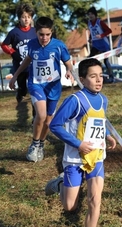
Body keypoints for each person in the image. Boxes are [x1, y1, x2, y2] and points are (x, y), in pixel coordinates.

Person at [45, 58, 117, 227]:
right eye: (93, 76)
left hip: (96, 157)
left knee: (95, 199)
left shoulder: (103, 100)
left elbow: (98, 122)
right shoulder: (75, 100)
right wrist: (78, 144)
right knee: (70, 206)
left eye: (100, 76)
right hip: (75, 159)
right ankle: (60, 183)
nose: (98, 80)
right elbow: (55, 126)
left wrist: (106, 135)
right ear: (83, 79)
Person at [9, 16, 73, 162]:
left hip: (53, 87)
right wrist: (15, 76)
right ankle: (34, 144)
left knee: (49, 121)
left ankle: (41, 144)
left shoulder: (58, 45)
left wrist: (69, 71)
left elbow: (68, 63)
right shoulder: (31, 45)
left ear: (52, 33)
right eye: (41, 34)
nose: (44, 38)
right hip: (36, 84)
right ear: (36, 32)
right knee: (41, 115)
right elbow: (27, 60)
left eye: (47, 34)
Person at [1, 3, 36, 104]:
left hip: (32, 65)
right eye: (24, 17)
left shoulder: (35, 31)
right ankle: (20, 93)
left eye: (29, 17)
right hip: (19, 65)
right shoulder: (14, 32)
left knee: (33, 86)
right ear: (19, 18)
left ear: (31, 19)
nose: (26, 19)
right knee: (23, 88)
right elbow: (4, 45)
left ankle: (35, 105)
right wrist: (12, 52)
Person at [87, 6, 114, 83]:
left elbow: (109, 31)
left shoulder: (100, 22)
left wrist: (101, 35)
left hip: (104, 44)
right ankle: (96, 75)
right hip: (95, 44)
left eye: (91, 14)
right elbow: (92, 32)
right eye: (89, 14)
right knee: (90, 59)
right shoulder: (89, 23)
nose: (90, 16)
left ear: (95, 15)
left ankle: (111, 77)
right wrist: (90, 38)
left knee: (106, 61)